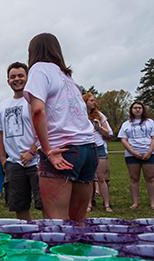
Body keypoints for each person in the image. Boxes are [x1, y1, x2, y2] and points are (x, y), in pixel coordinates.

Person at [24, 33, 97, 223]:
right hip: (88, 149)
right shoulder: (66, 77)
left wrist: (47, 150)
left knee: (57, 223)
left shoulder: (39, 70)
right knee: (78, 221)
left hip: (62, 149)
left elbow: (38, 110)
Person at [0, 62, 41, 221]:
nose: (17, 79)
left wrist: (32, 151)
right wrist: (2, 159)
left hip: (36, 162)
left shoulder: (34, 101)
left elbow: (44, 130)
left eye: (21, 75)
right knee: (19, 207)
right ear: (8, 80)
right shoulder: (3, 105)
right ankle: (26, 237)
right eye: (12, 76)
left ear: (27, 77)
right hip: (14, 164)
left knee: (45, 204)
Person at [118, 101, 154, 210]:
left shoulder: (150, 122)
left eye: (139, 107)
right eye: (135, 108)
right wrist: (133, 152)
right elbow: (123, 140)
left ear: (143, 109)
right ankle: (135, 203)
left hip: (149, 153)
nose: (137, 109)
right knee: (134, 178)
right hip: (131, 154)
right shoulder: (126, 124)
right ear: (131, 110)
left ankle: (153, 202)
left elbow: (153, 138)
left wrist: (149, 152)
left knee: (151, 178)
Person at [84, 92, 113, 212]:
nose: (94, 102)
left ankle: (107, 205)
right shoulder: (79, 115)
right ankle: (88, 204)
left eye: (94, 100)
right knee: (88, 178)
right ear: (84, 102)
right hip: (86, 146)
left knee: (101, 178)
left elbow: (109, 134)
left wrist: (99, 128)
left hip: (99, 147)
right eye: (91, 100)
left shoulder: (100, 115)